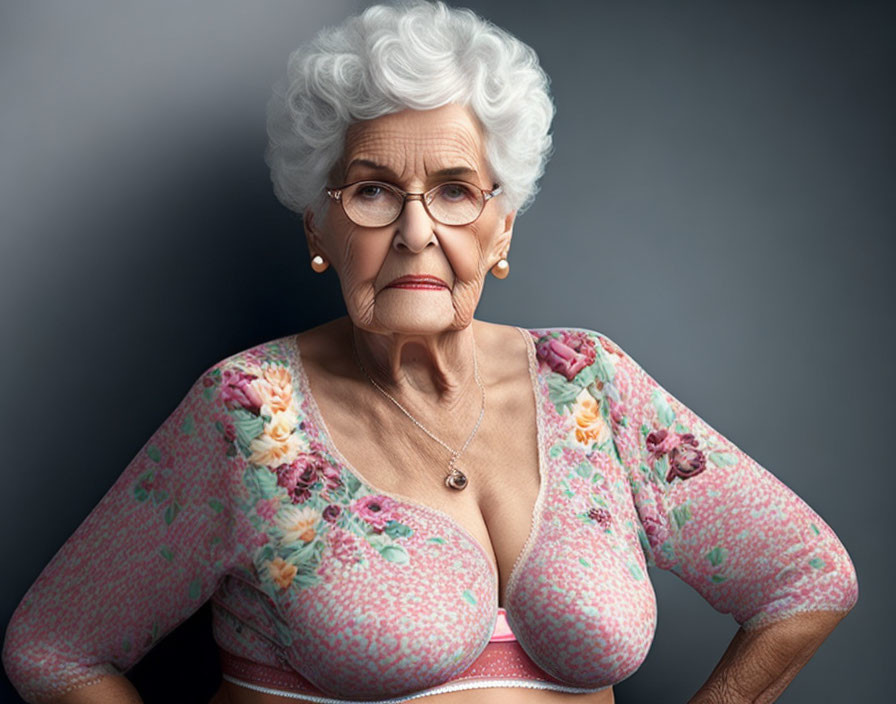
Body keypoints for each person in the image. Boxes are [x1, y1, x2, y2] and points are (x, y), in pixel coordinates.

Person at [2, 1, 858, 703]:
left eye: (455, 192)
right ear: (318, 225)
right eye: (372, 191)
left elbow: (808, 576)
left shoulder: (589, 383)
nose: (417, 233)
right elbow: (55, 648)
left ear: (502, 226)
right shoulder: (248, 411)